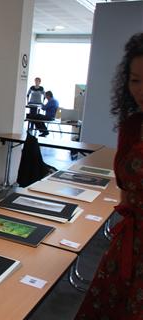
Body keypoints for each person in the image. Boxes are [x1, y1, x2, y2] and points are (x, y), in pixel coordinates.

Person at [75, 32, 143, 320]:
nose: (140, 90)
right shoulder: (133, 126)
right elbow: (126, 189)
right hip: (130, 240)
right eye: (135, 80)